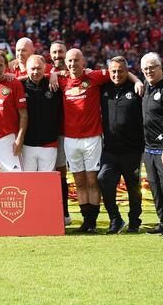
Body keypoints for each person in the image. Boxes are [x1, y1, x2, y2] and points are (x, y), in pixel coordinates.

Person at [53, 48, 142, 233]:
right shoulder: (61, 80)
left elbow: (119, 70)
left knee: (93, 181)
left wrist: (138, 80)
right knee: (78, 182)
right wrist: (53, 74)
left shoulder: (94, 76)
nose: (72, 64)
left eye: (76, 60)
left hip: (92, 138)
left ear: (83, 62)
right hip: (70, 139)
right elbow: (35, 71)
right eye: (69, 61)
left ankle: (93, 223)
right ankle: (86, 221)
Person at [99, 56, 144, 234]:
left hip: (132, 149)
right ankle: (115, 219)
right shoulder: (103, 88)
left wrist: (137, 79)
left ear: (127, 71)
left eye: (121, 71)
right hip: (110, 149)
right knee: (103, 179)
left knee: (134, 186)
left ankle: (134, 221)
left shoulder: (137, 88)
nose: (117, 74)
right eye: (113, 71)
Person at [140, 52, 163, 236]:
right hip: (148, 149)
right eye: (145, 68)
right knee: (155, 189)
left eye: (152, 67)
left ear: (160, 68)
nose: (148, 71)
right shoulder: (146, 87)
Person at [20, 55, 62, 173]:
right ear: (27, 69)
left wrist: (55, 74)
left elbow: (72, 74)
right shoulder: (19, 86)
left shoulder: (54, 84)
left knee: (46, 182)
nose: (35, 72)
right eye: (32, 69)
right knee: (29, 181)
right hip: (27, 143)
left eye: (39, 68)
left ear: (45, 68)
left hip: (49, 142)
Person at [49, 40, 71, 223]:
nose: (58, 56)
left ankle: (64, 213)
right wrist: (53, 73)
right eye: (54, 53)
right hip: (49, 132)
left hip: (66, 131)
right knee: (50, 172)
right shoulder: (46, 70)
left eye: (60, 52)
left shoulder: (74, 72)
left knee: (62, 172)